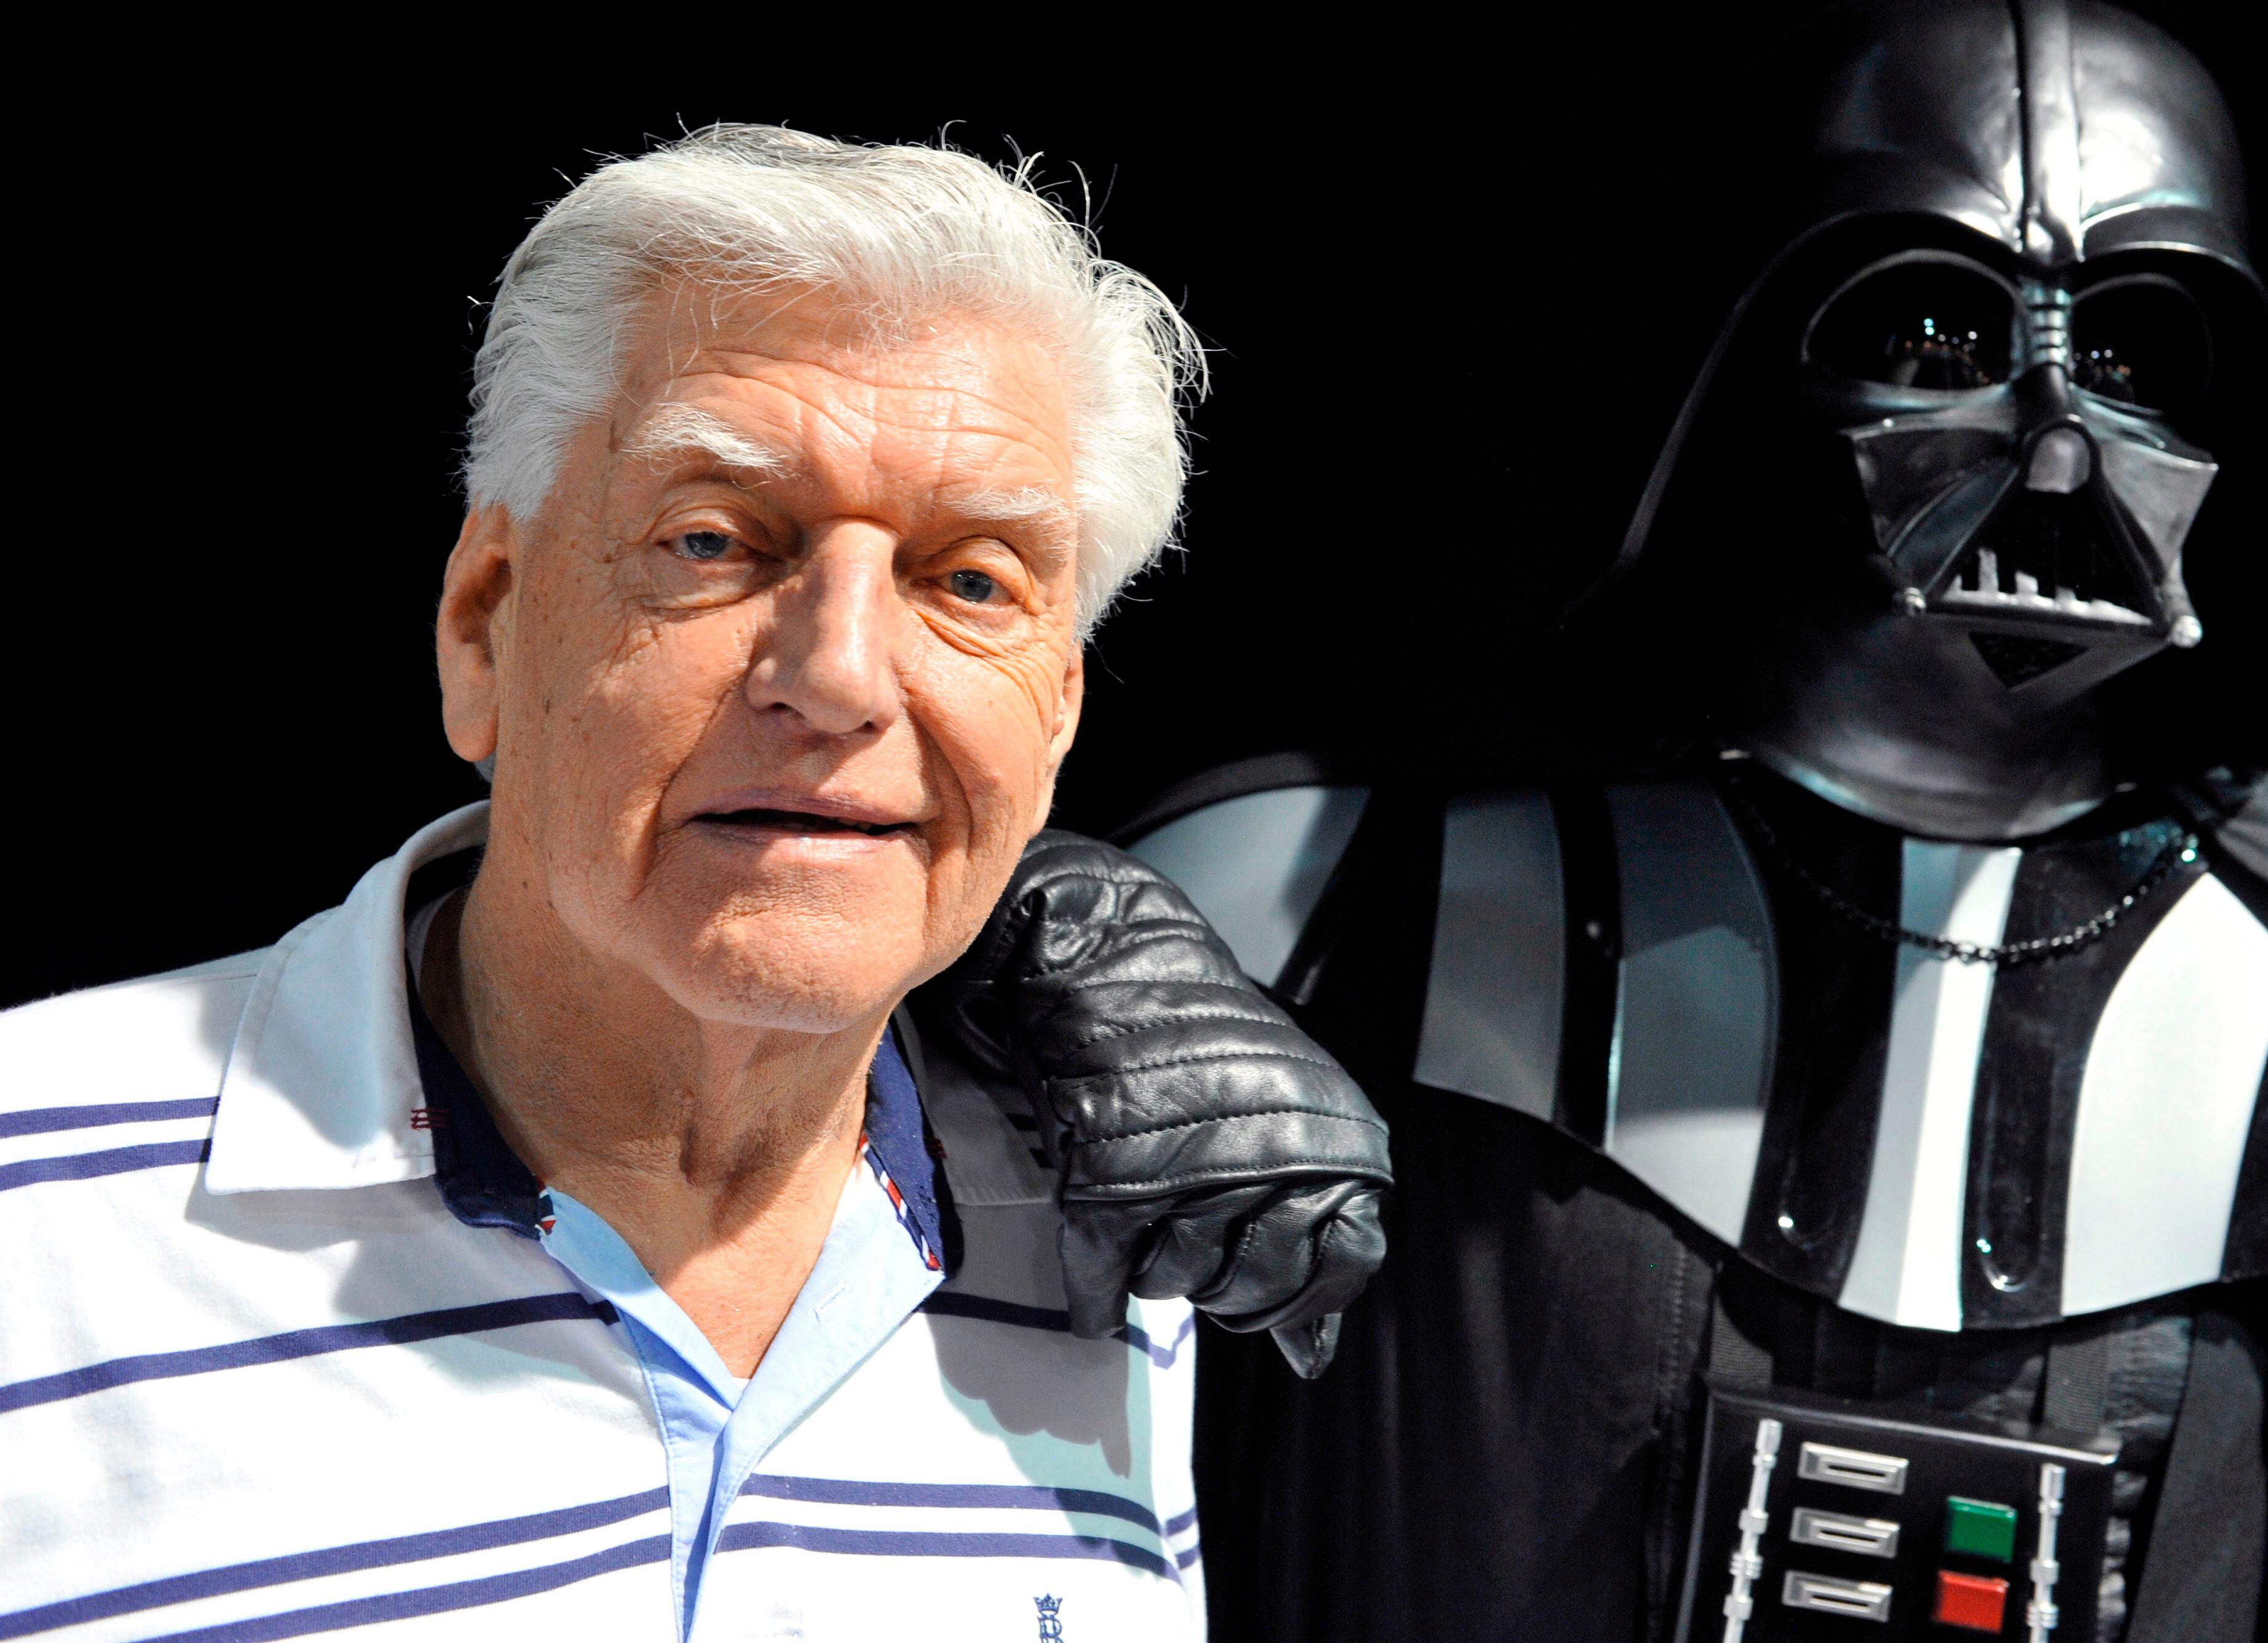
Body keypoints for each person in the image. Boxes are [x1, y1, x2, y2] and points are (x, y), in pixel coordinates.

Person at [1136, 0, 2268, 1643]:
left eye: (2130, 350)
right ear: (1729, 364)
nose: (2058, 449)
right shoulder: (1305, 905)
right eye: (1933, 336)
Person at [0, 126, 1388, 1641]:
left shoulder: (1113, 1262)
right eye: (713, 541)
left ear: (1055, 710)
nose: (840, 678)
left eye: (971, 580)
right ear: (482, 624)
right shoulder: (30, 1212)